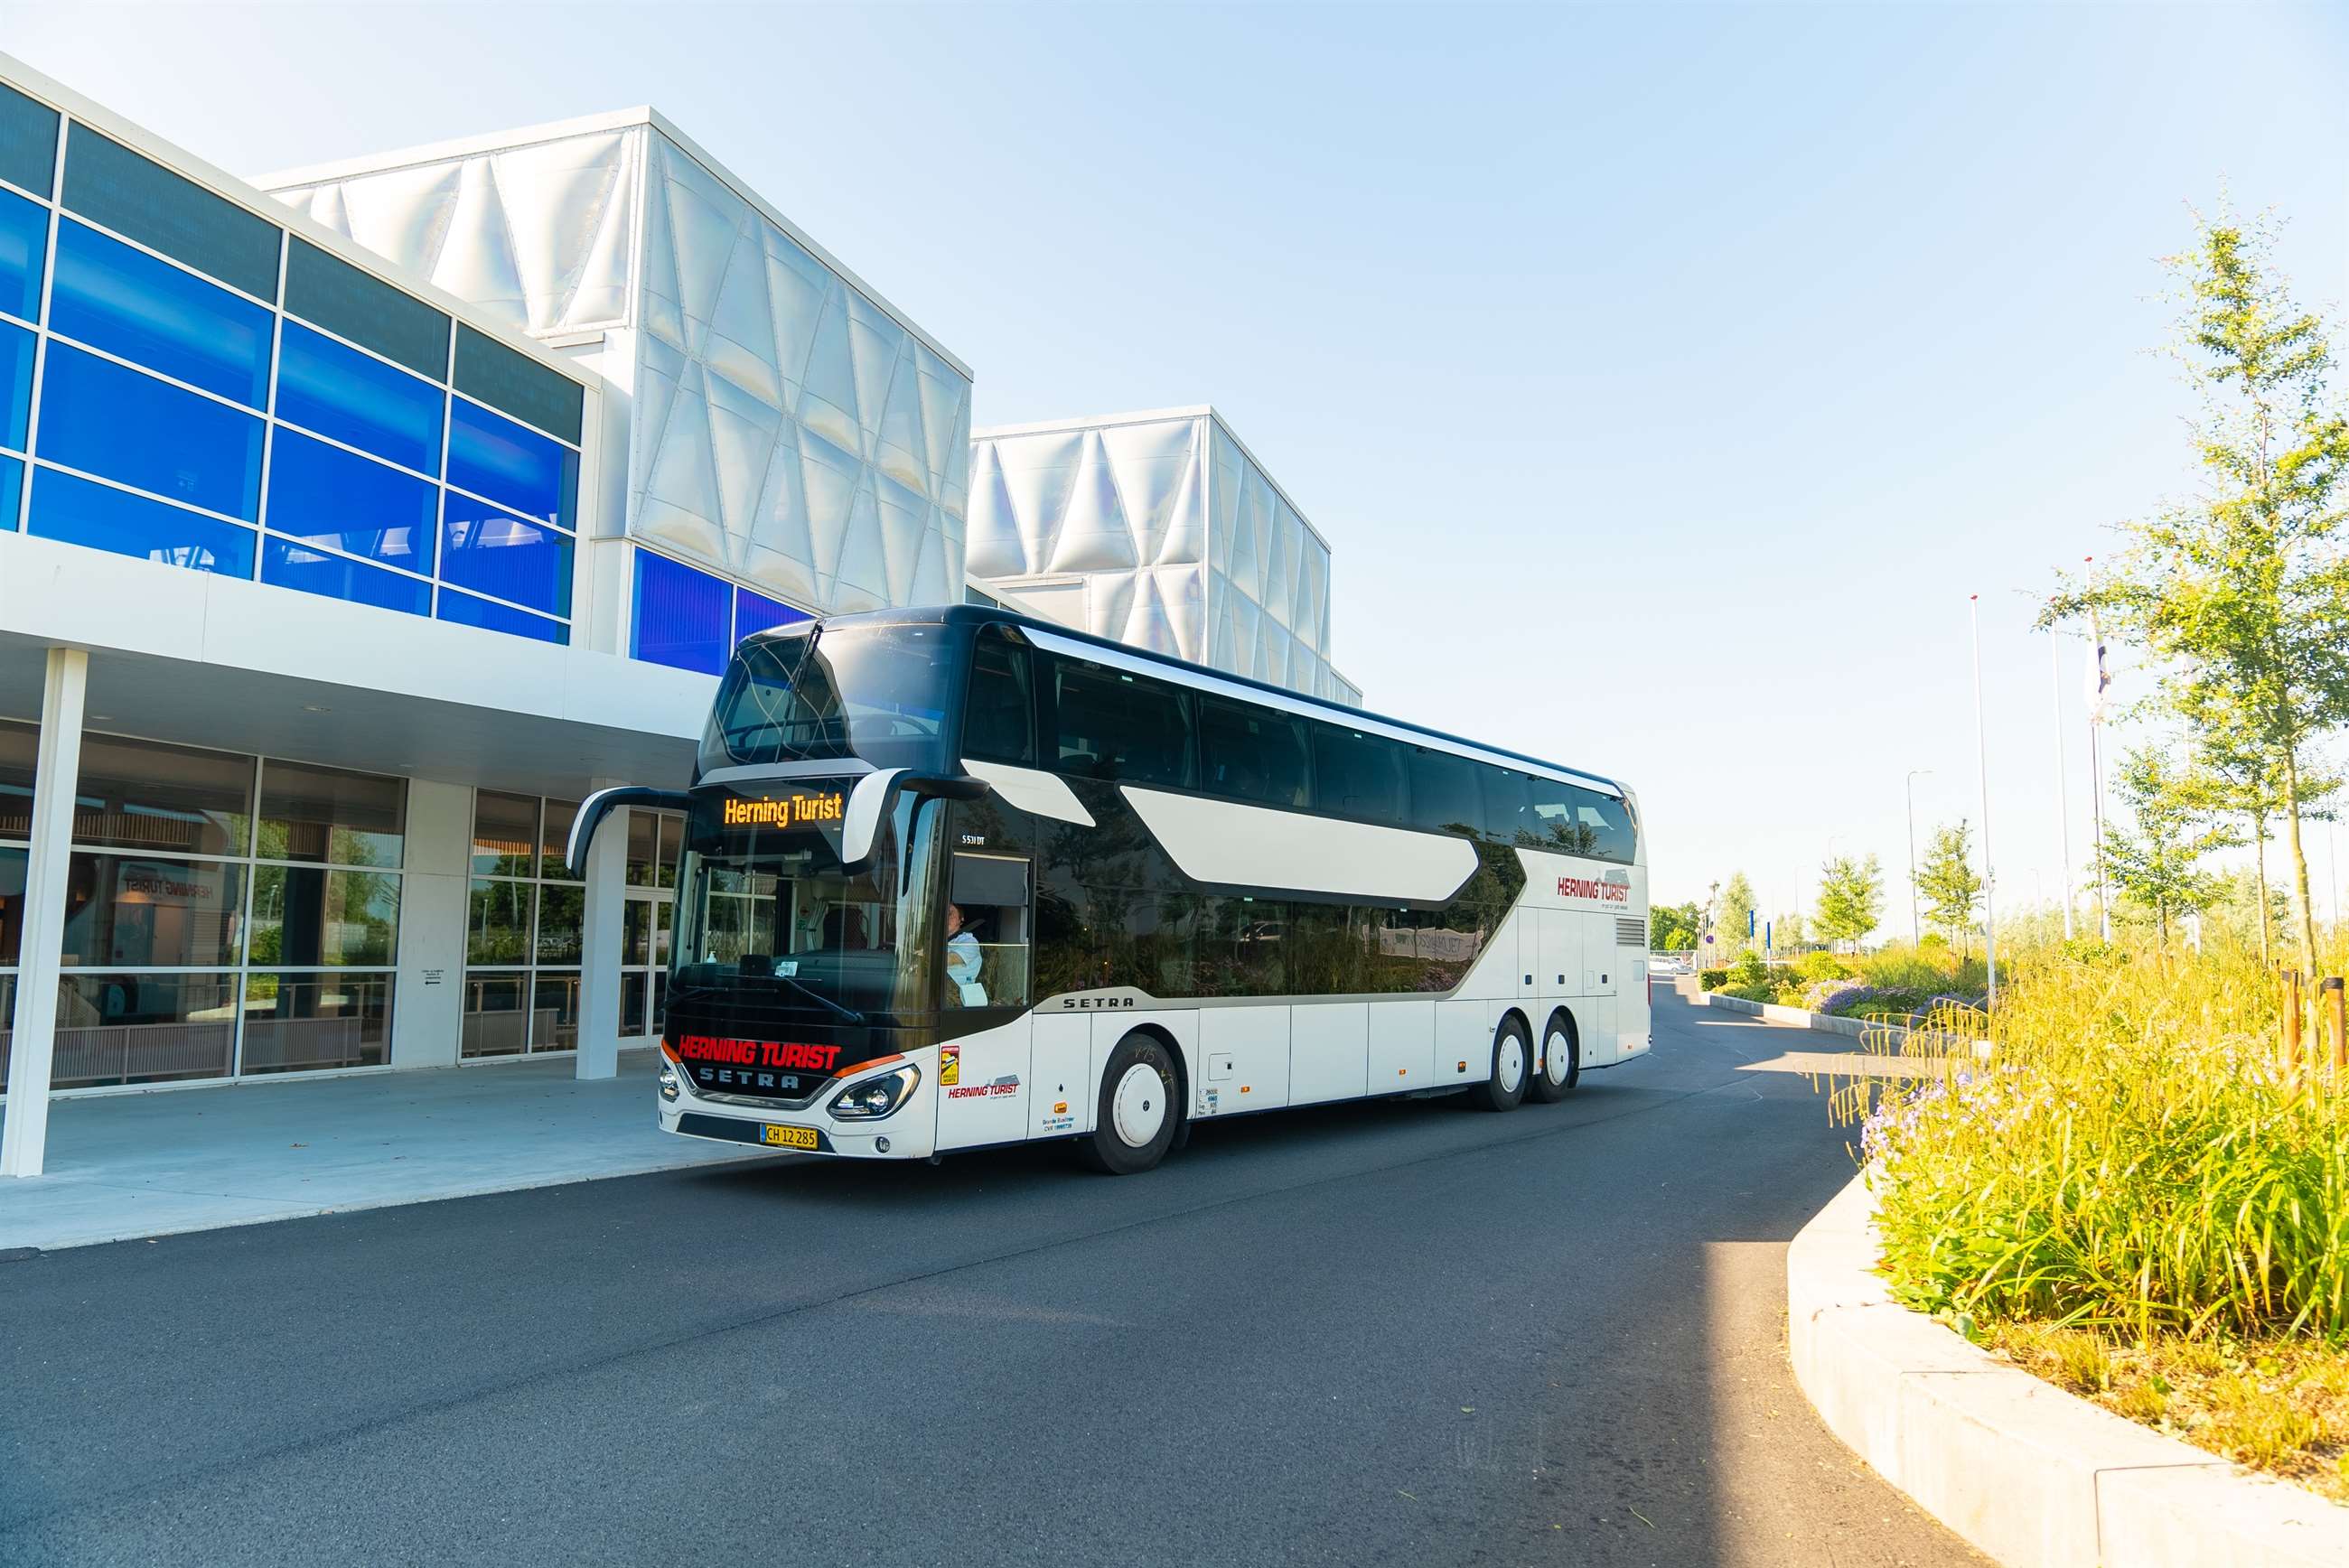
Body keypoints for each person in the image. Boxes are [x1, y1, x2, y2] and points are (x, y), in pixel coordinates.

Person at [944, 902, 987, 1006]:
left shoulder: (969, 941)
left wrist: (925, 954)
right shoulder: (935, 940)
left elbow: (950, 960)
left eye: (950, 914)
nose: (946, 917)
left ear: (961, 919)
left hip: (958, 999)